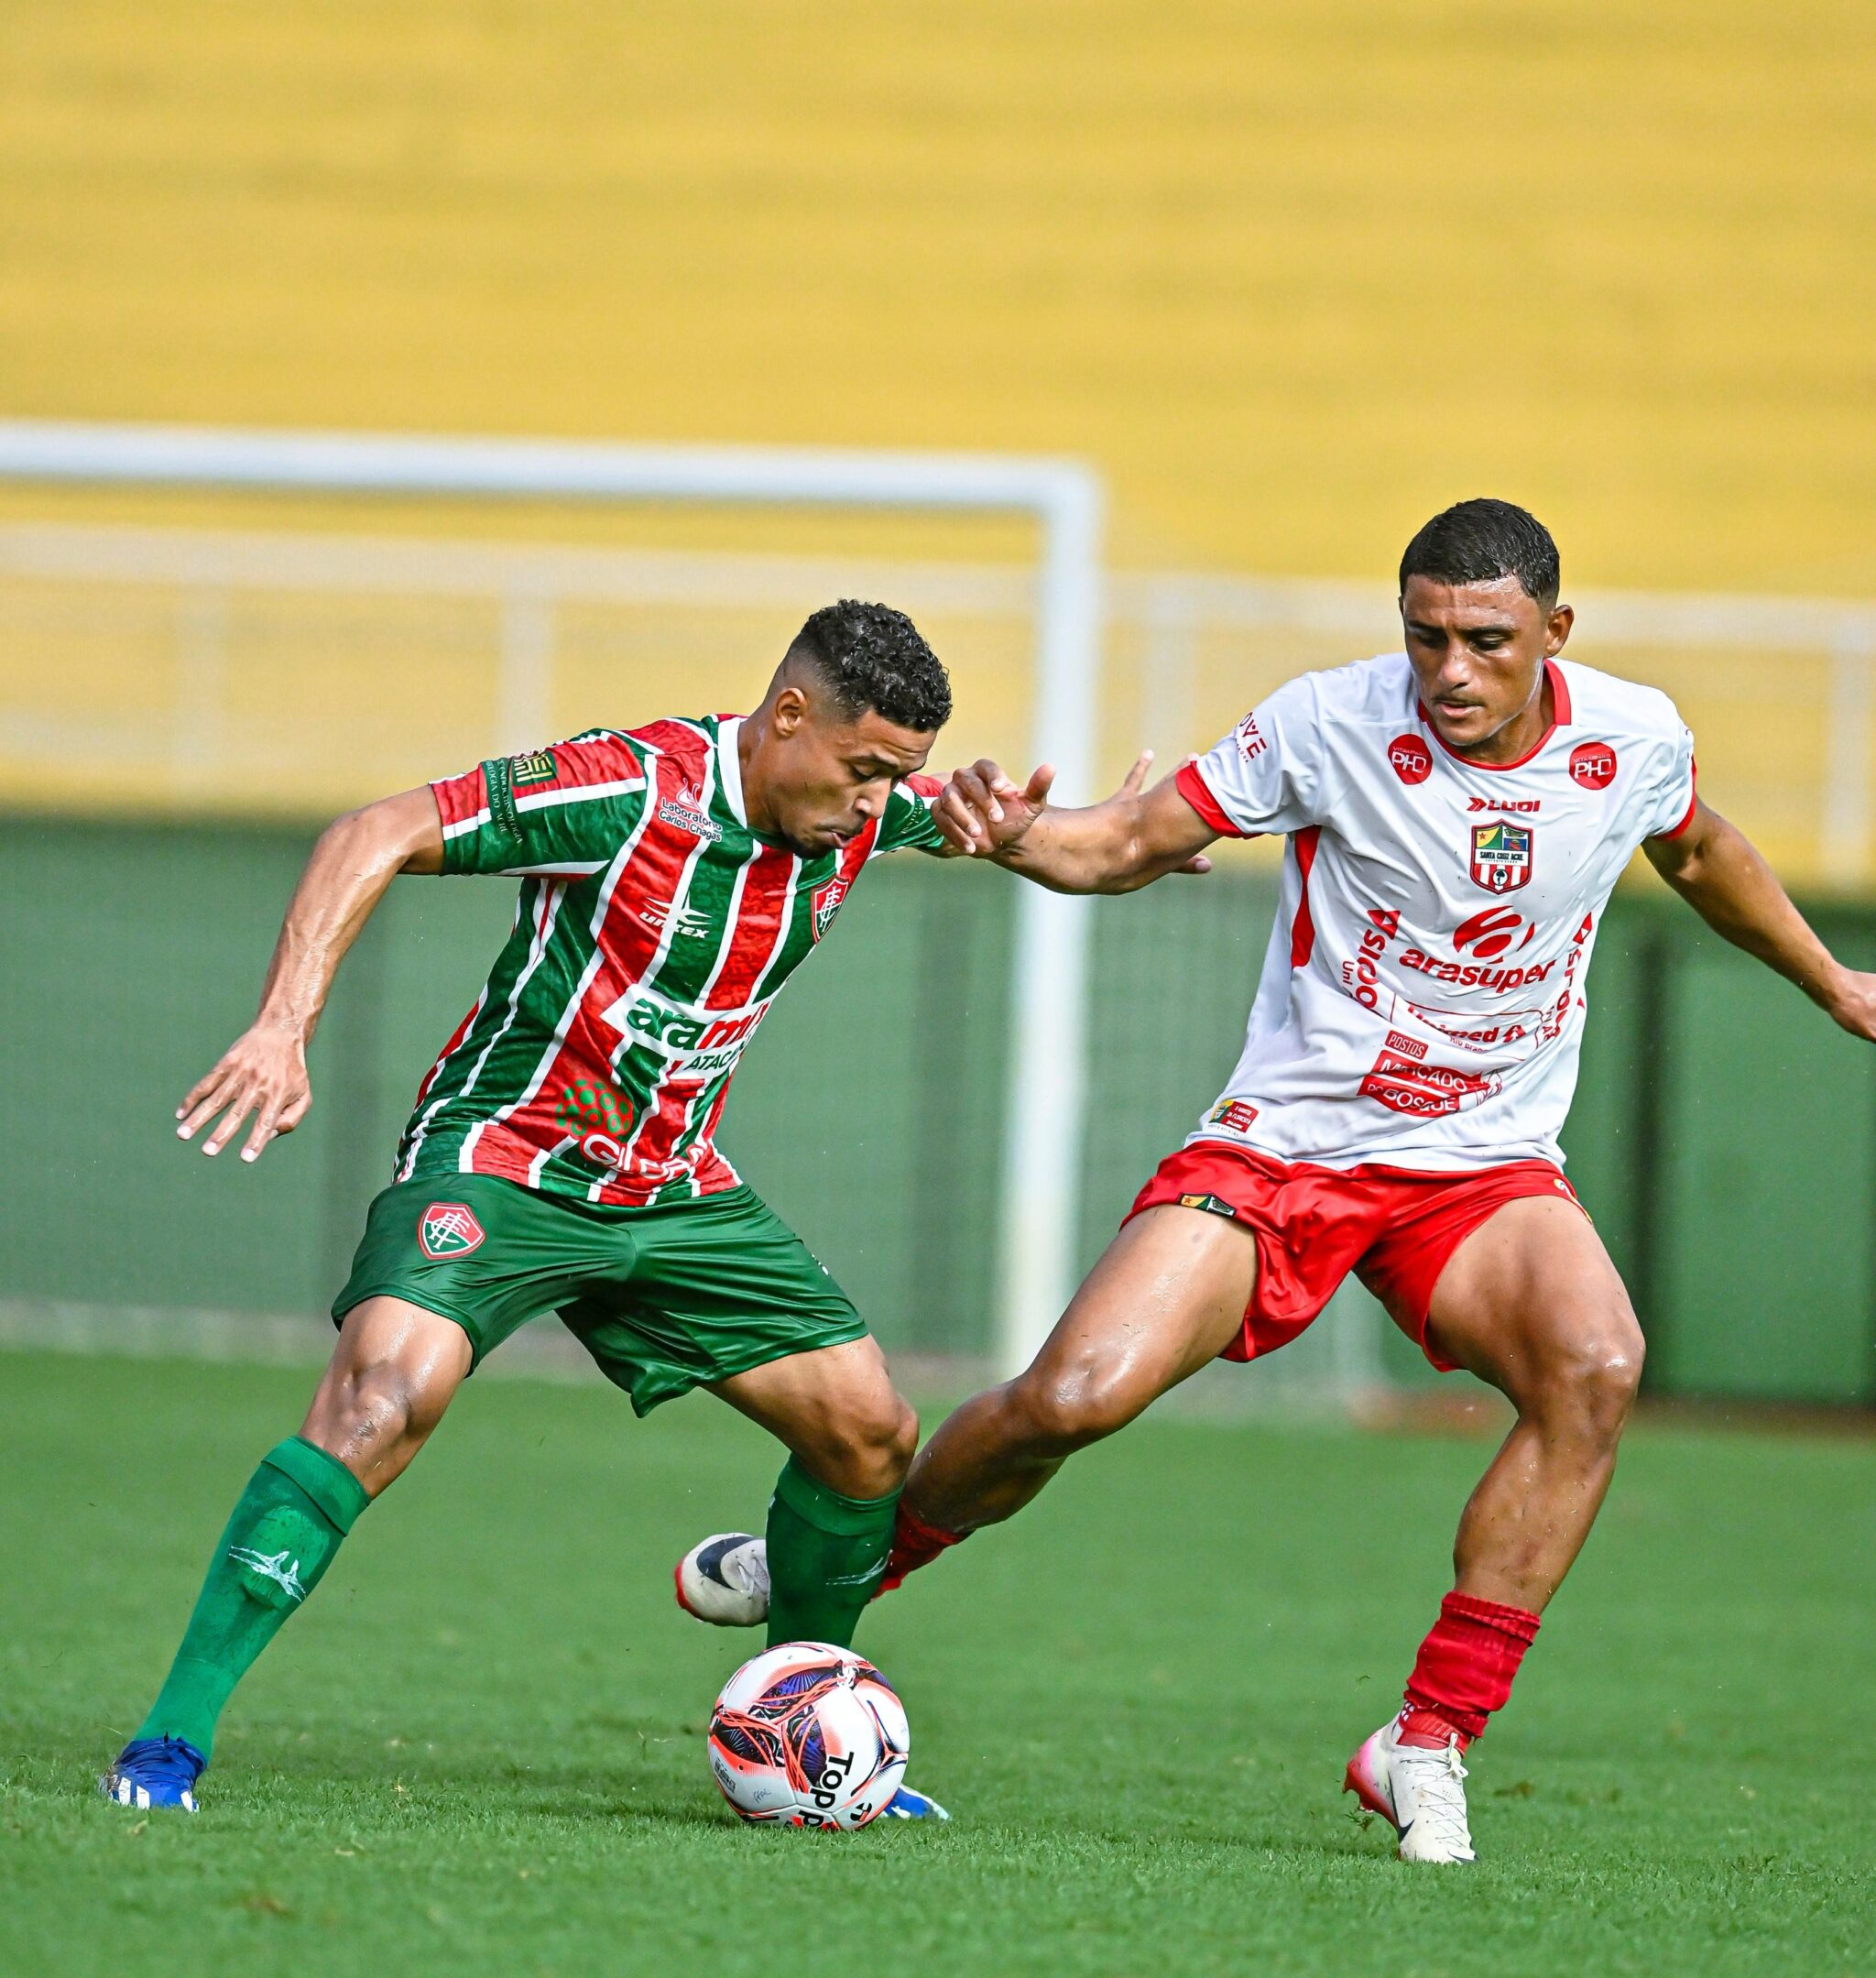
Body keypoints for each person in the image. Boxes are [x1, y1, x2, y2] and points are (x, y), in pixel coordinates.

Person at [680, 499, 1876, 1863]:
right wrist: (1011, 834)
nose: (1451, 671)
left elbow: (1700, 850)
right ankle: (843, 1555)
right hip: (1287, 1146)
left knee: (1596, 1364)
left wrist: (1833, 981)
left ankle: (1428, 1739)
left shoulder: (1634, 737)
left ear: (1555, 632)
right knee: (1071, 1398)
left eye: (1487, 641)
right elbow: (1125, 842)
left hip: (1481, 1166)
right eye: (1425, 636)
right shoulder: (1328, 721)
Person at [103, 599, 965, 1817]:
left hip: (669, 1184)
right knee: (382, 1399)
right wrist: (283, 1025)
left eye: (898, 778)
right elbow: (373, 831)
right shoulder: (627, 788)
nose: (878, 801)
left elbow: (1058, 839)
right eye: (865, 769)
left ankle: (813, 1725)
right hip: (506, 1157)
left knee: (867, 1434)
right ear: (788, 716)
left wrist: (1144, 829)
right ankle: (168, 1743)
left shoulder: (860, 812)